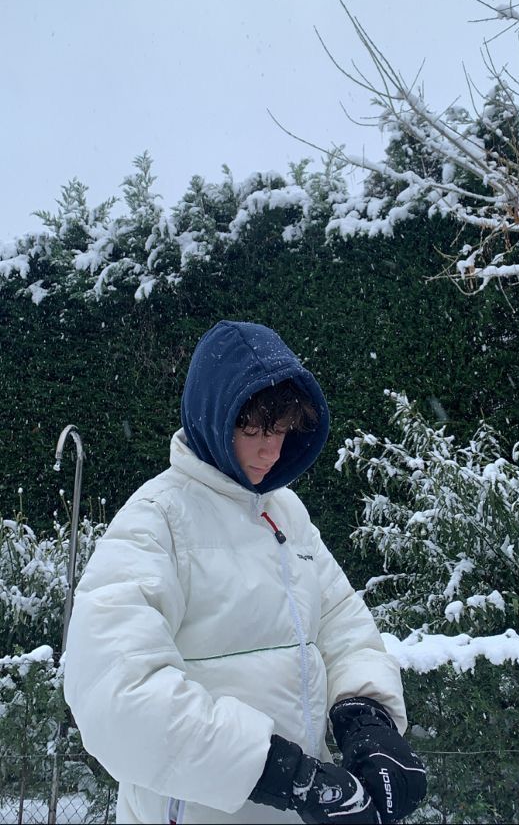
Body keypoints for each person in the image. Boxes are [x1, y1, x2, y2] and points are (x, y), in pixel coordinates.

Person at [64, 320, 427, 824]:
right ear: (212, 416)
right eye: (253, 429)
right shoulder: (156, 520)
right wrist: (278, 772)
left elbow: (344, 627)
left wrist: (367, 717)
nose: (271, 450)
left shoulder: (287, 514)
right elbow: (117, 691)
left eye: (280, 430)